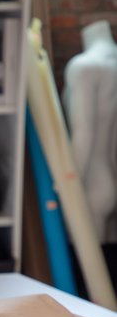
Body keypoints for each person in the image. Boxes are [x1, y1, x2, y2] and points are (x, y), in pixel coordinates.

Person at [62, 20, 117, 242]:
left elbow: (83, 132)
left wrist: (68, 186)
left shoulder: (85, 67)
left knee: (90, 271)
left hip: (91, 180)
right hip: (110, 172)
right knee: (109, 270)